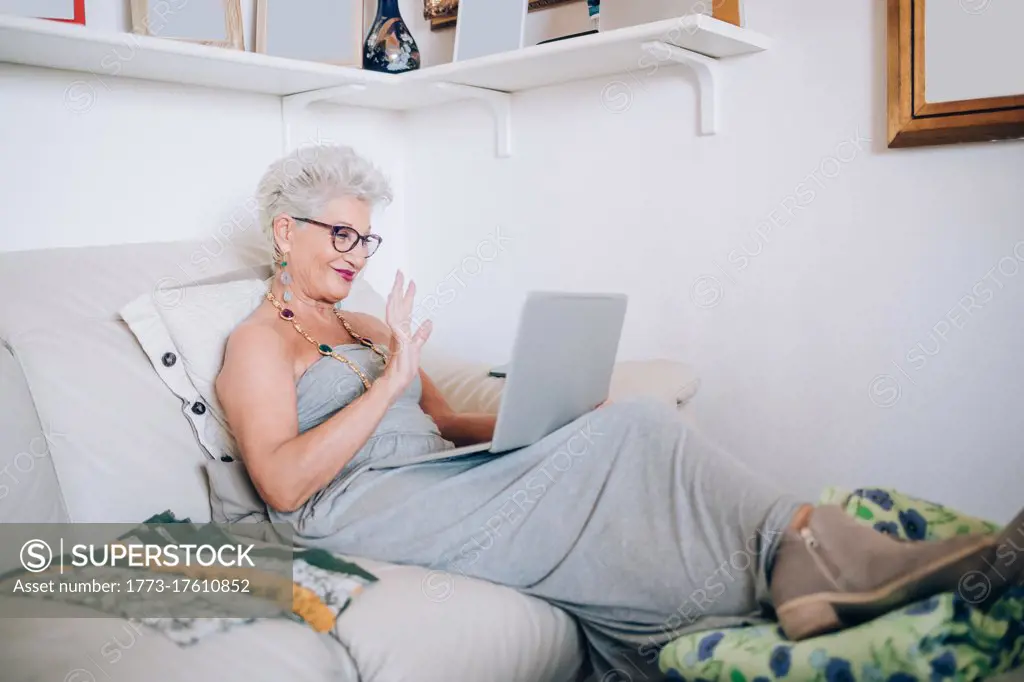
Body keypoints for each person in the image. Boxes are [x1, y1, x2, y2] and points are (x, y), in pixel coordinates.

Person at [215, 145, 1021, 681]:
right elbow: (284, 484)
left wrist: (540, 417)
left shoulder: (363, 326)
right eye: (343, 237)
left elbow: (445, 425)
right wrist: (389, 388)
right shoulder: (258, 344)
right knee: (631, 433)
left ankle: (812, 547)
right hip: (356, 509)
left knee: (630, 421)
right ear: (287, 232)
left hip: (429, 474)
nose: (357, 256)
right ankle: (815, 564)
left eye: (367, 240)